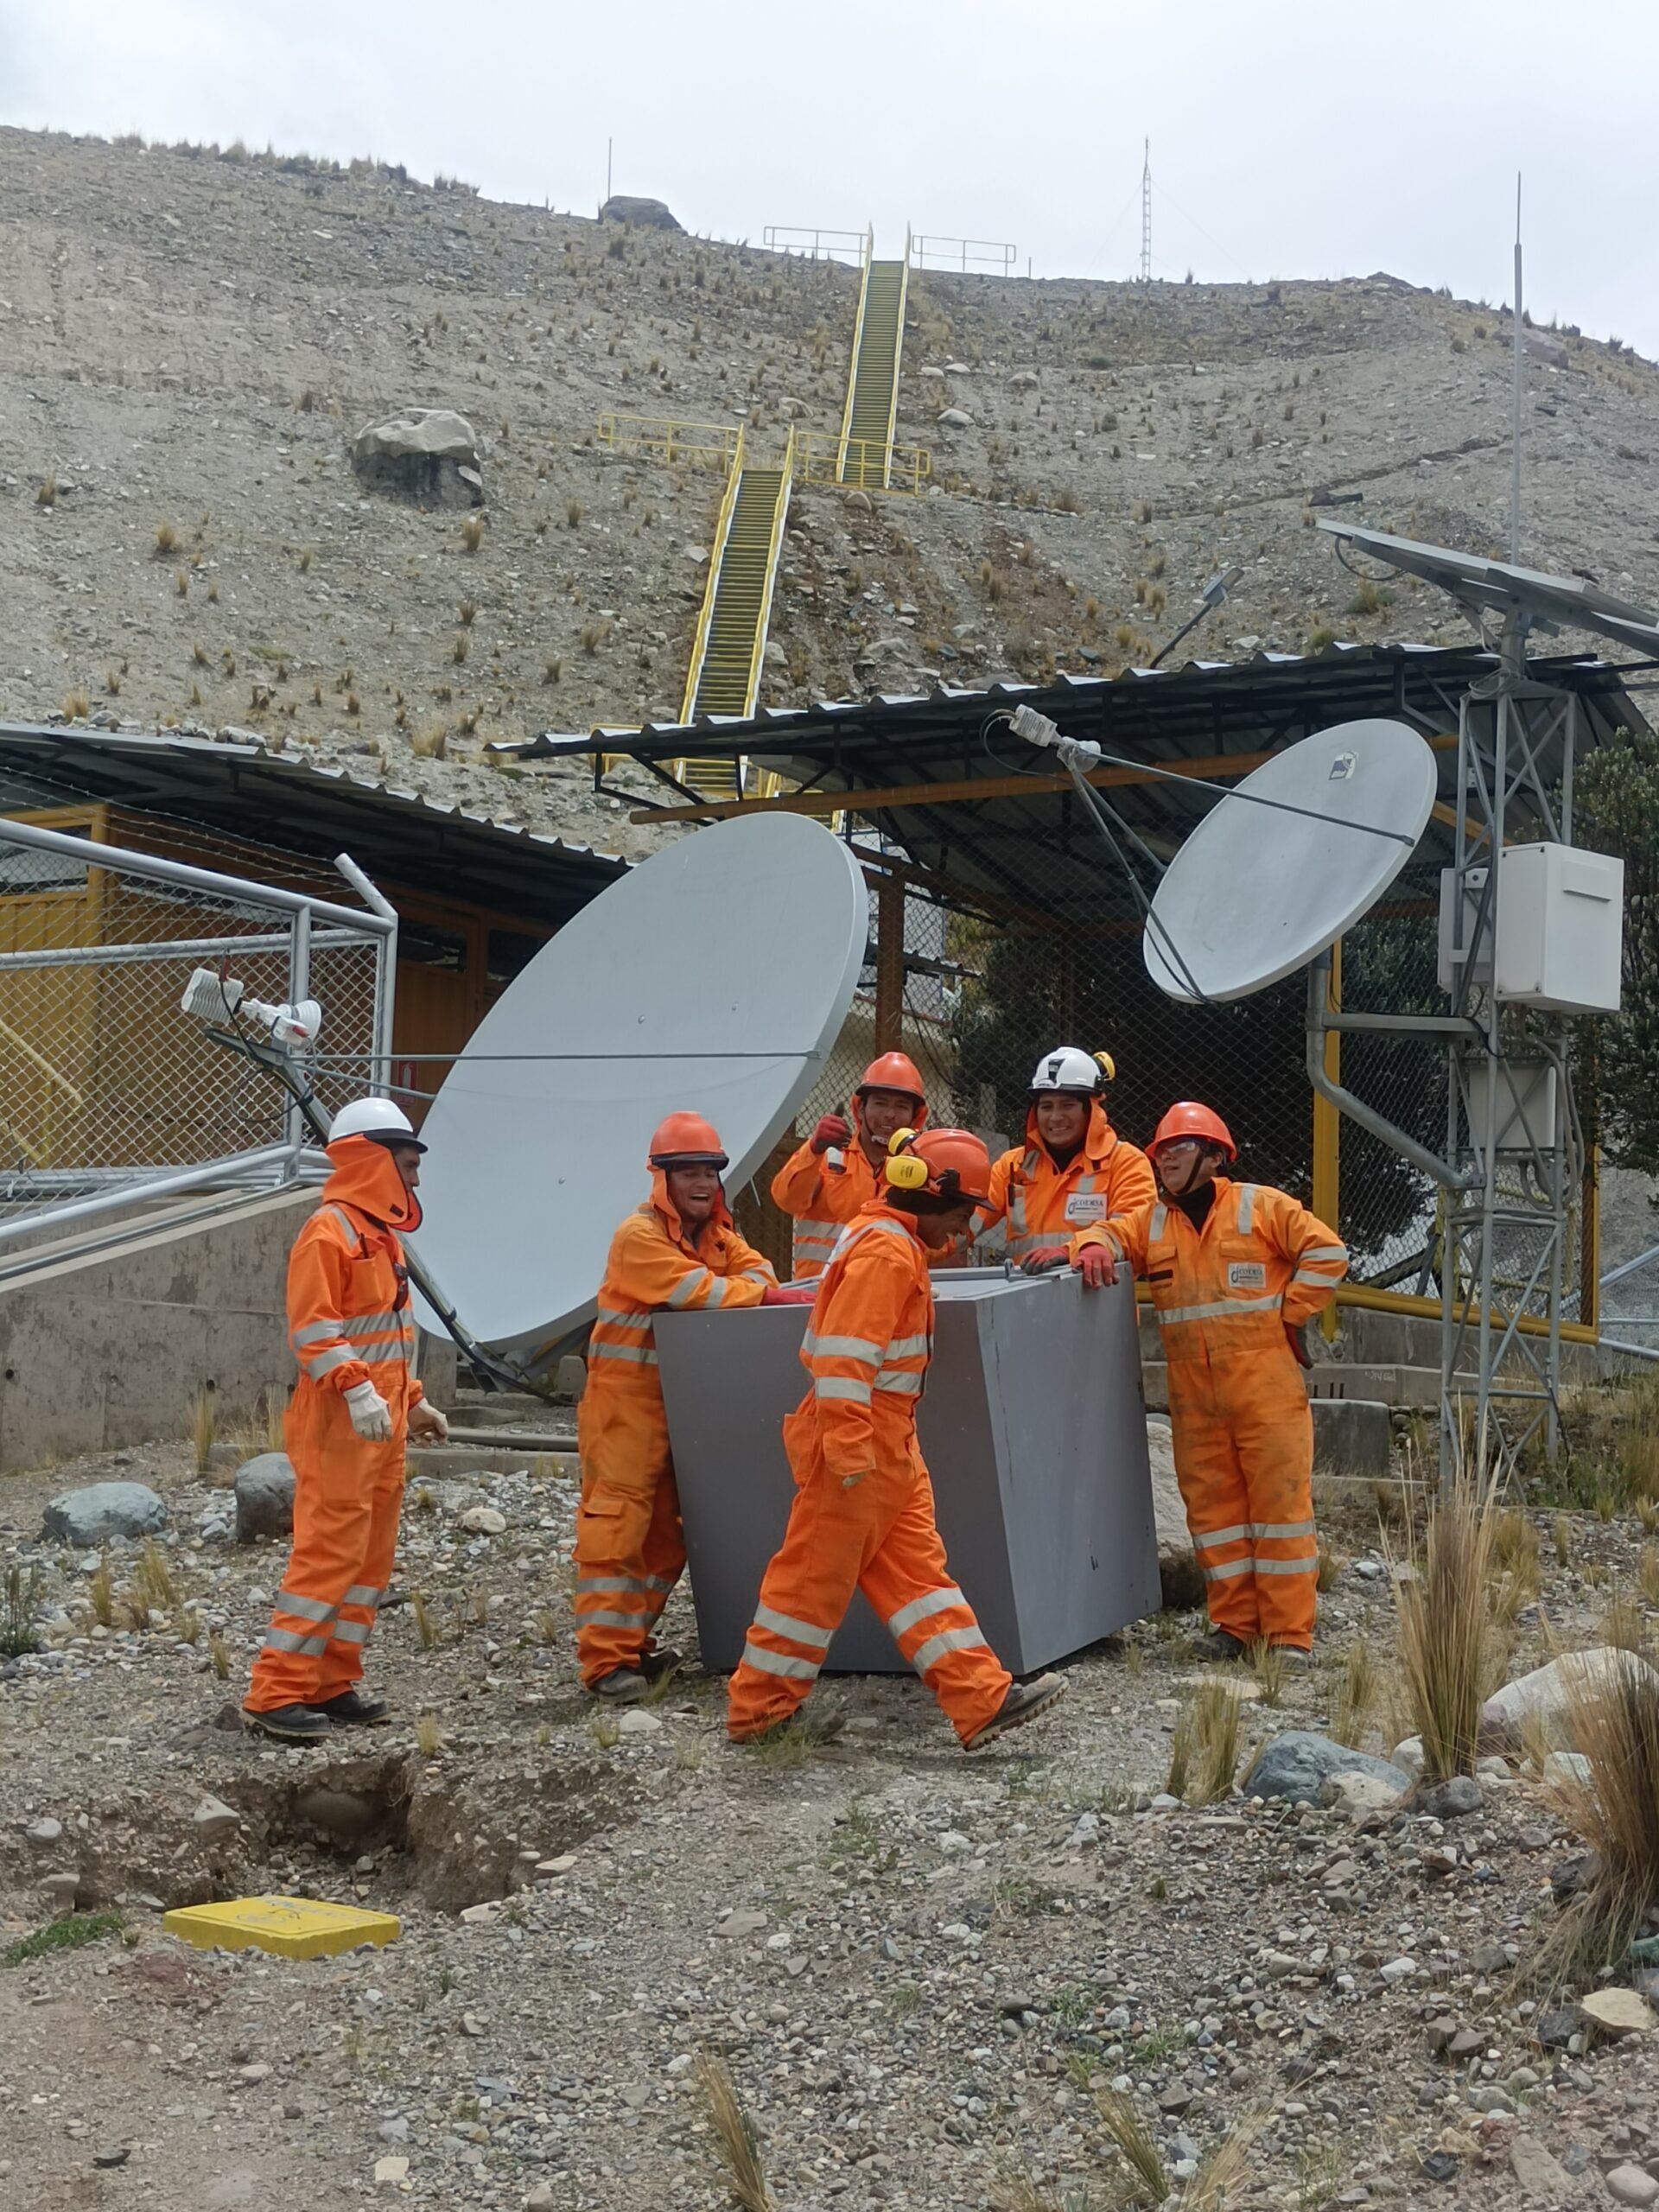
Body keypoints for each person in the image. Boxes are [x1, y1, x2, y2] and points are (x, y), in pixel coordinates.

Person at [727, 1126, 1068, 1750]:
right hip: (858, 1441)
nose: (964, 1231)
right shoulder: (886, 1255)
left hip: (886, 1444)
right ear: (929, 1197)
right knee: (811, 1581)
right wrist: (853, 1454)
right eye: (963, 1214)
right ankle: (759, 1710)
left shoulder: (889, 1238)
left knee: (917, 1578)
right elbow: (841, 1361)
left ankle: (981, 1698)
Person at [1084, 1102, 1348, 1662]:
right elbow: (1108, 1235)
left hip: (1266, 1394)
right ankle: (1233, 1626)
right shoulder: (1152, 1222)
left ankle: (1287, 1636)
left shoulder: (1260, 1207)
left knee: (1278, 1512)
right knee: (1213, 1515)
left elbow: (1327, 1252)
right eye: (1160, 1153)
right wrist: (1087, 1247)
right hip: (1196, 1401)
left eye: (1177, 1150)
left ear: (1213, 1155)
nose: (1165, 1162)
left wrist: (1292, 1311)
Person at [243, 1097, 449, 1742]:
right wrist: (359, 1390)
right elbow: (315, 1330)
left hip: (377, 1424)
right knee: (329, 1554)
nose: (414, 1179)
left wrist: (411, 1400)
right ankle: (275, 1692)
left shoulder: (379, 1237)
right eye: (407, 1164)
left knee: (368, 1557)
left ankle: (331, 1681)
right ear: (373, 1160)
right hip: (340, 1422)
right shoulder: (328, 1231)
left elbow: (388, 1332)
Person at [575, 1112, 778, 1701]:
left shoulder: (714, 1236)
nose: (701, 1183)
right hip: (624, 1409)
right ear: (661, 1179)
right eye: (686, 1172)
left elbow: (758, 1271)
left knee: (669, 1531)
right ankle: (605, 1663)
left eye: (709, 1173)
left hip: (682, 1406)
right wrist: (757, 1292)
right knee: (618, 1527)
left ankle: (631, 1643)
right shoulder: (638, 1237)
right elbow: (700, 1292)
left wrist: (754, 1286)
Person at [975, 1046, 1155, 1284]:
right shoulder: (1011, 1166)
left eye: (1067, 1105)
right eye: (1046, 1106)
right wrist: (917, 1239)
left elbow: (1139, 1230)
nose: (1055, 1117)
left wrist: (1084, 1246)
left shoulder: (1126, 1162)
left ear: (1090, 1109)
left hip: (1099, 1305)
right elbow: (963, 1223)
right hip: (1024, 1304)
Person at [770, 1051, 929, 1281]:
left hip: (888, 1296)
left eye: (902, 1107)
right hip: (821, 1297)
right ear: (861, 1109)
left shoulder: (921, 1170)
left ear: (916, 1117)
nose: (890, 1115)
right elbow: (787, 1199)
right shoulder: (828, 1157)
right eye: (880, 1103)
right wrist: (813, 1149)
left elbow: (938, 1241)